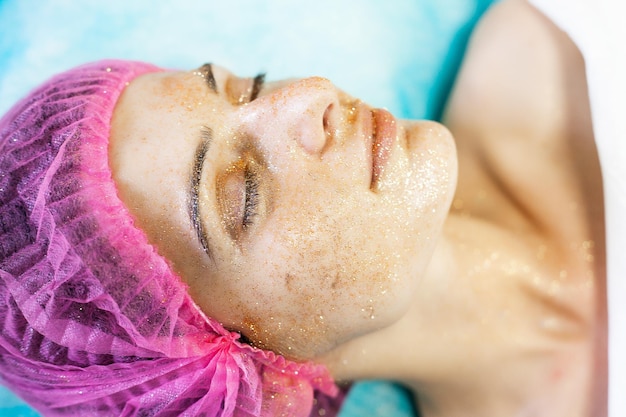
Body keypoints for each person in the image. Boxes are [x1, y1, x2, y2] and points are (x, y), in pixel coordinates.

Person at [0, 0, 612, 416]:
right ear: (265, 381)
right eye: (245, 195)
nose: (311, 96)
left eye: (251, 86)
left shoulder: (560, 38)